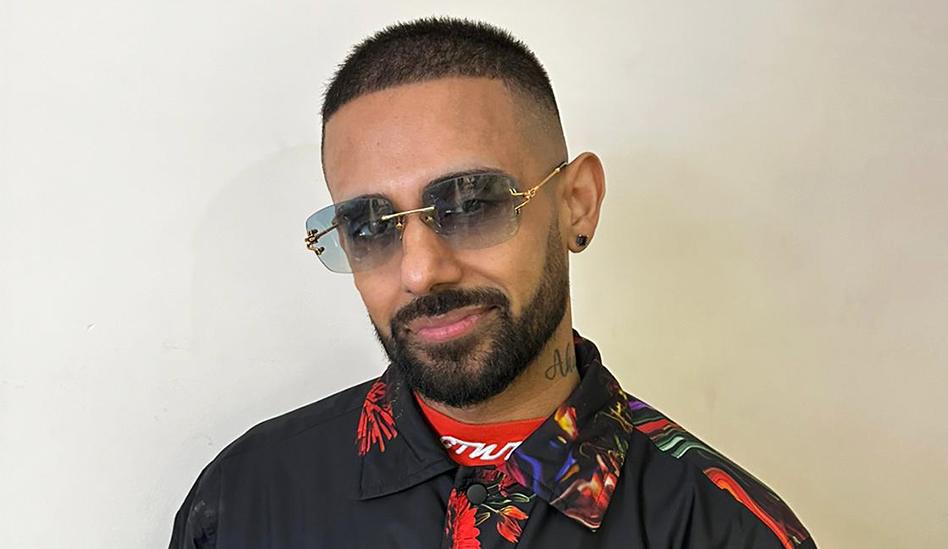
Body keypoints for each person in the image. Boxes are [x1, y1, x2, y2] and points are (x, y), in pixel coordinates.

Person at [169, 17, 816, 549]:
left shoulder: (725, 531)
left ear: (577, 204)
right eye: (369, 226)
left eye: (472, 203)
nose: (421, 270)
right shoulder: (242, 504)